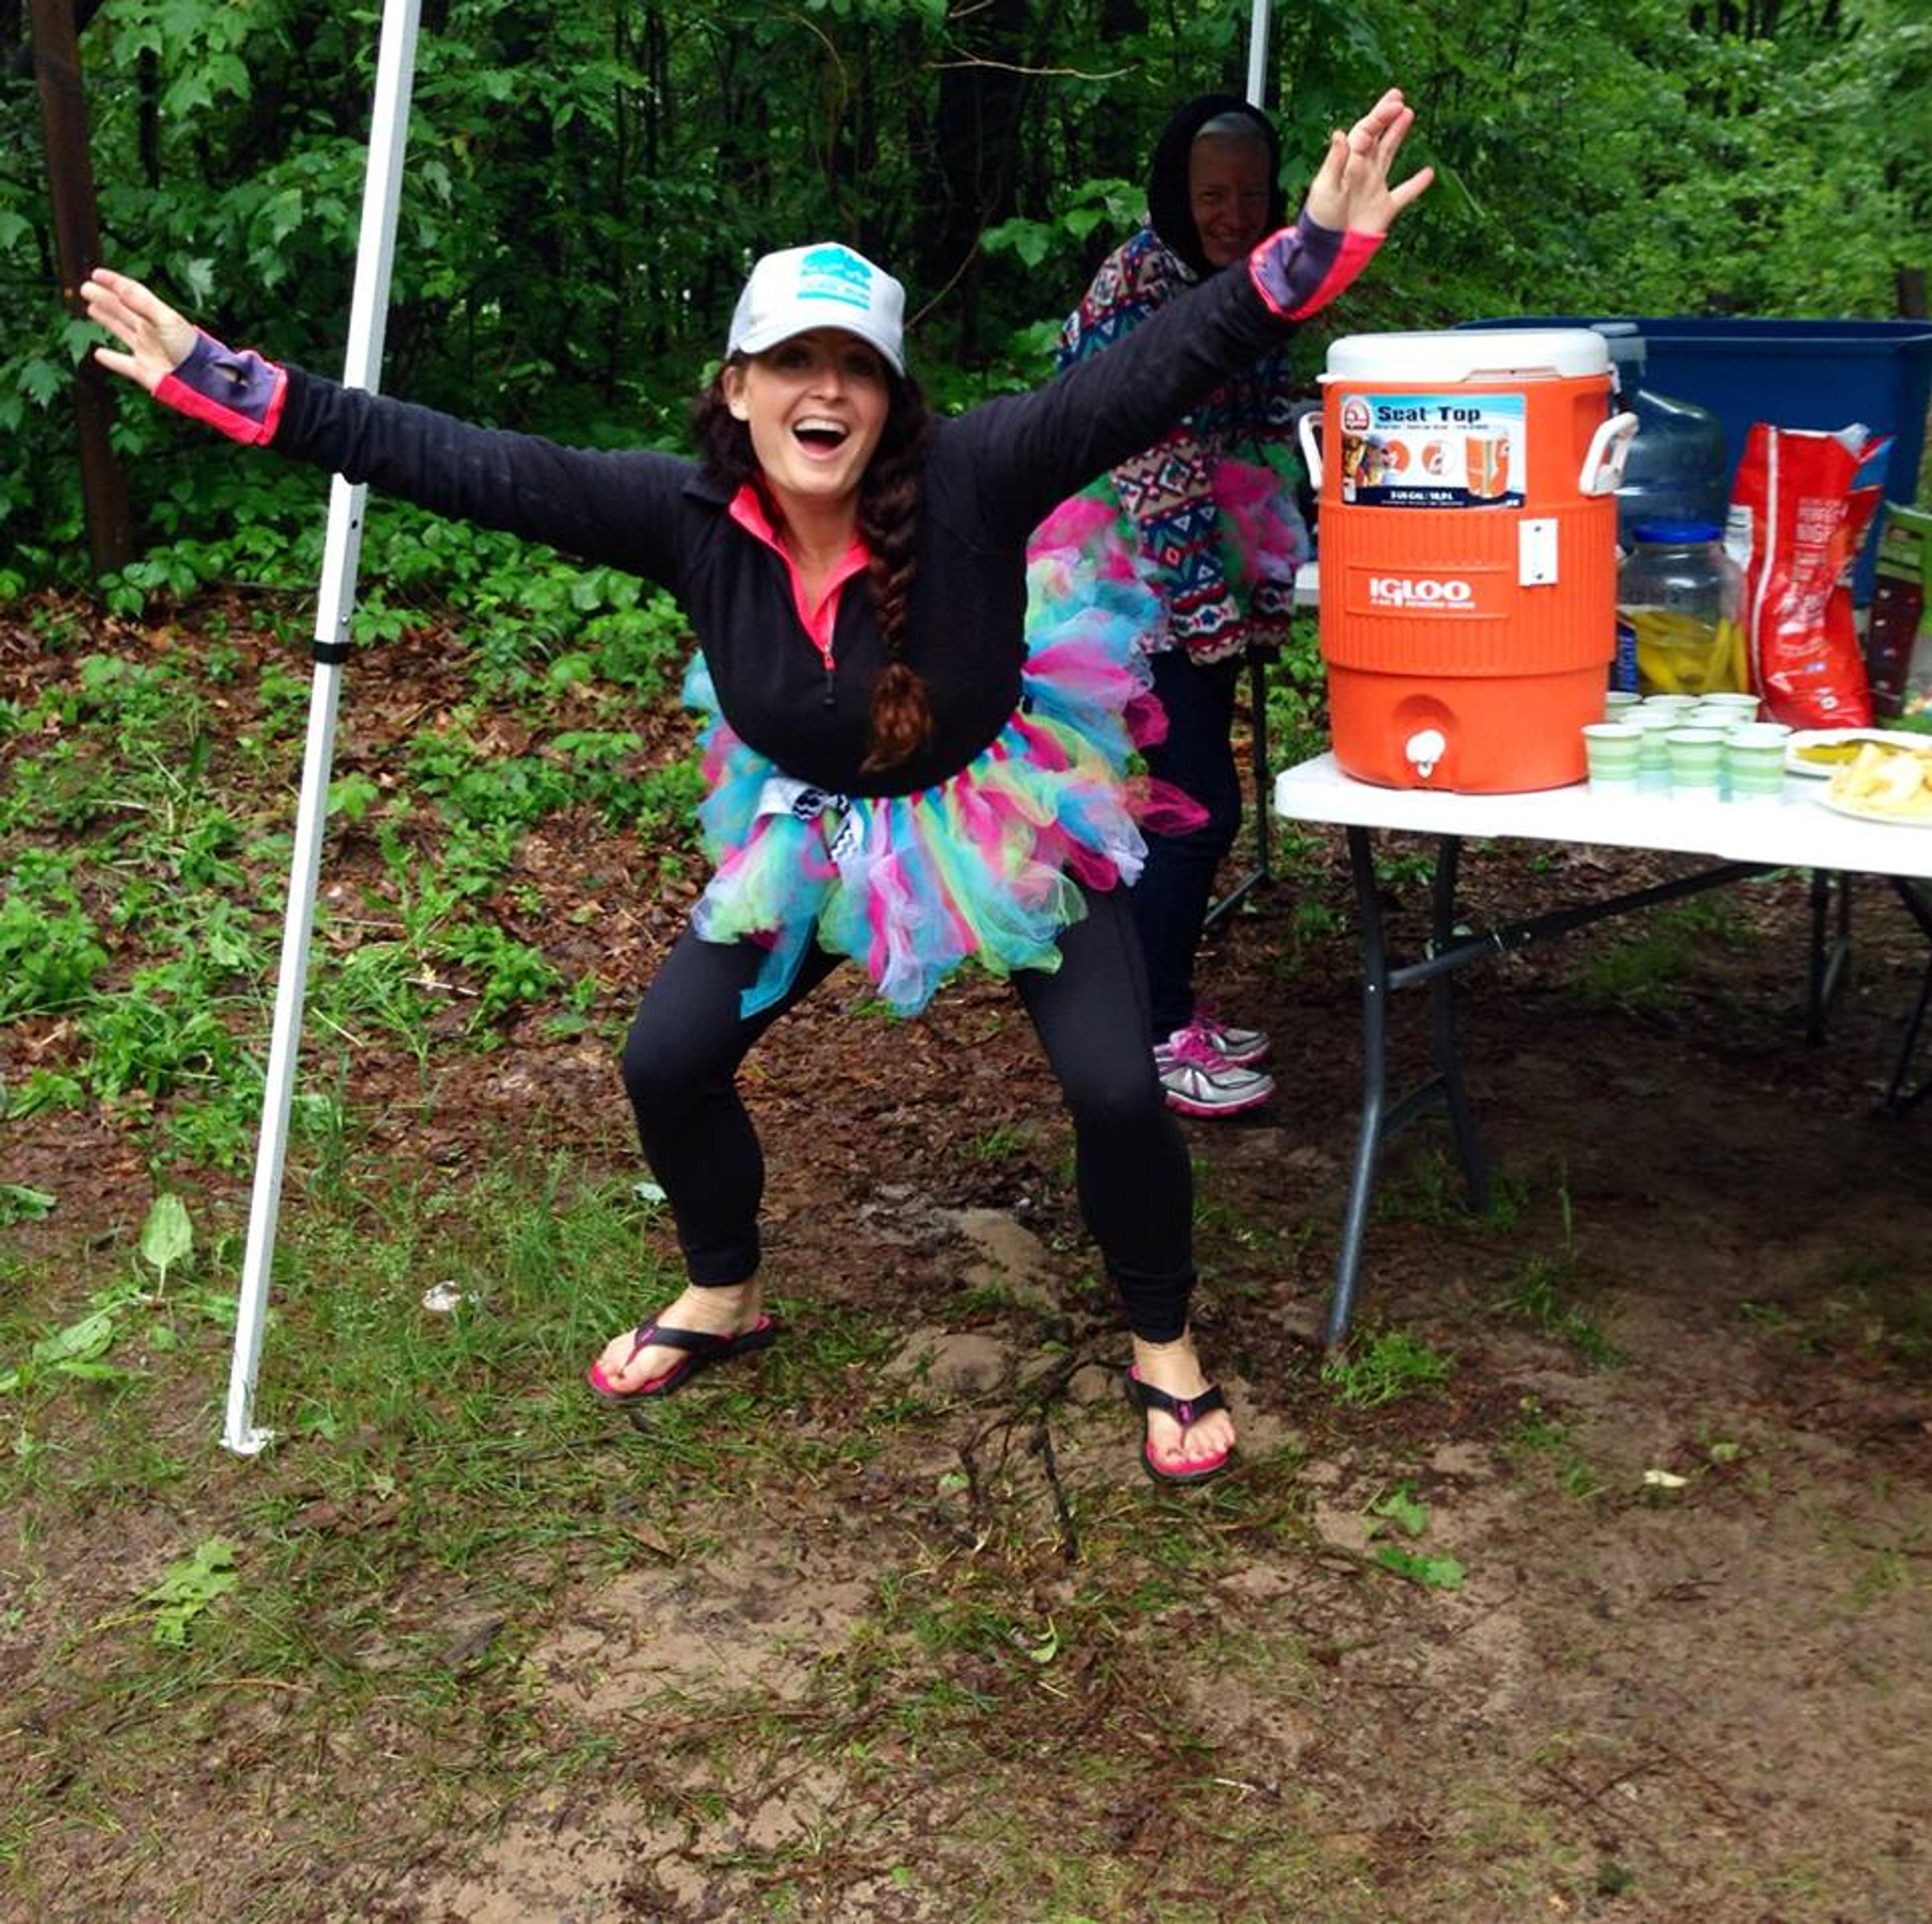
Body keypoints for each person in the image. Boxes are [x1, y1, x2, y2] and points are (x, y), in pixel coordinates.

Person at [82, 90, 1429, 1485]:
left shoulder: (978, 474)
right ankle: (723, 1288)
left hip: (1000, 810)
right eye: (792, 362)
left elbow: (1152, 368)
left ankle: (1163, 1341)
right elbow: (455, 460)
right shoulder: (680, 518)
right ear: (737, 386)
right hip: (819, 827)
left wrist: (1307, 248)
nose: (825, 391)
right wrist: (228, 381)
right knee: (666, 1062)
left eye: (856, 365)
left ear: (894, 398)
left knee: (1116, 1089)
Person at [1036, 94, 1314, 1118]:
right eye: (1211, 196)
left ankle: (1157, 1009)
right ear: (1173, 194)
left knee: (1179, 799)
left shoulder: (1256, 272)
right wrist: (1209, 617)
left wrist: (1261, 583)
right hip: (1127, 573)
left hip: (1200, 555)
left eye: (1250, 193)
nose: (1233, 213)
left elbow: (1261, 427)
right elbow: (1153, 468)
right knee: (1198, 809)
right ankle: (1151, 1036)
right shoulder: (1140, 284)